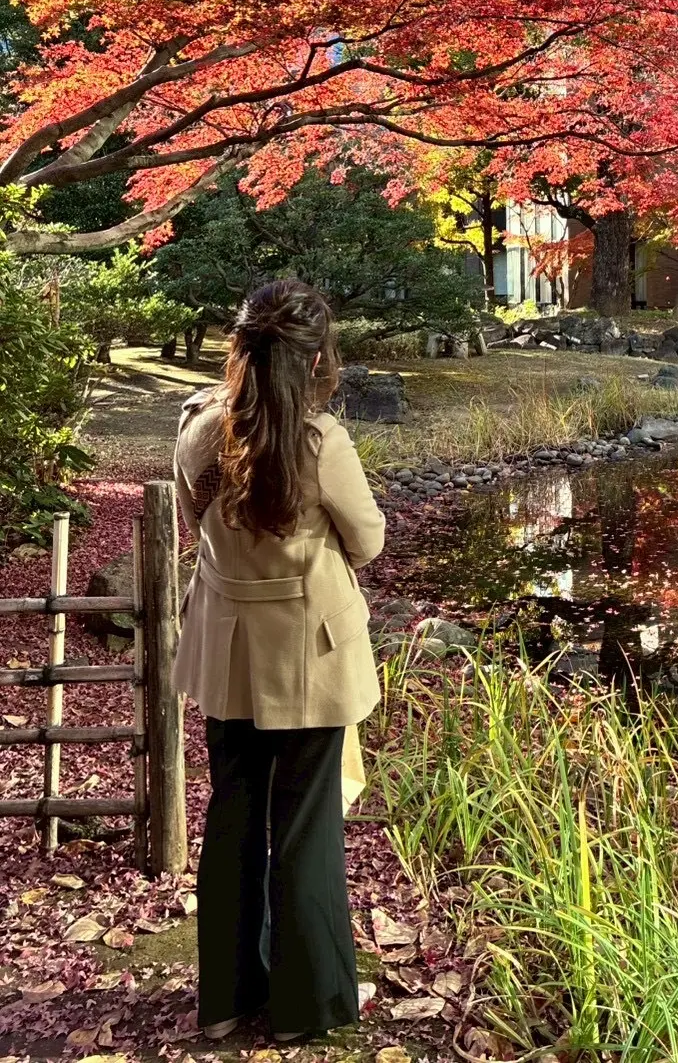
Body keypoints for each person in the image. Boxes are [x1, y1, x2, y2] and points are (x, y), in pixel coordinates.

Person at [172, 280, 385, 1043]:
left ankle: (226, 998)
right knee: (304, 826)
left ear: (239, 350)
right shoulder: (320, 443)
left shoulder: (199, 431)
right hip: (309, 654)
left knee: (232, 815)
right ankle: (308, 1006)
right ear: (317, 359)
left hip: (228, 649)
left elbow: (189, 523)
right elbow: (367, 539)